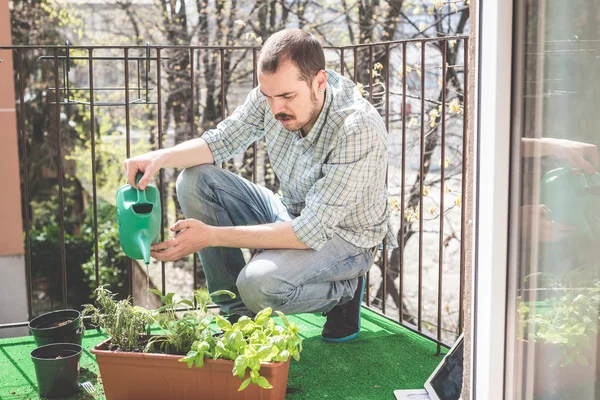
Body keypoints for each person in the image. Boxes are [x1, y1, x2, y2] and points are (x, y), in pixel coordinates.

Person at [123, 28, 397, 342]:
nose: (274, 108)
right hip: (291, 212)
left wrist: (210, 236)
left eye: (286, 97)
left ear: (319, 82)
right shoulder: (272, 95)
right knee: (194, 179)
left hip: (346, 239)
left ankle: (344, 291)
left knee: (258, 286)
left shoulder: (357, 126)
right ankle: (237, 317)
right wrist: (157, 157)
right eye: (268, 96)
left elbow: (312, 231)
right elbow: (222, 141)